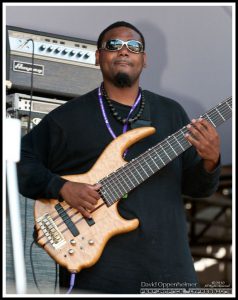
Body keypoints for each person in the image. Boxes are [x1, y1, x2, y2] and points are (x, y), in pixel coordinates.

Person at [17, 21, 221, 294]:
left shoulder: (171, 113)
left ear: (144, 60)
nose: (124, 51)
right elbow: (18, 163)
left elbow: (197, 188)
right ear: (98, 56)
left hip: (169, 271)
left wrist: (210, 160)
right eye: (114, 45)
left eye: (134, 46)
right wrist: (62, 187)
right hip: (98, 275)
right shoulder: (67, 119)